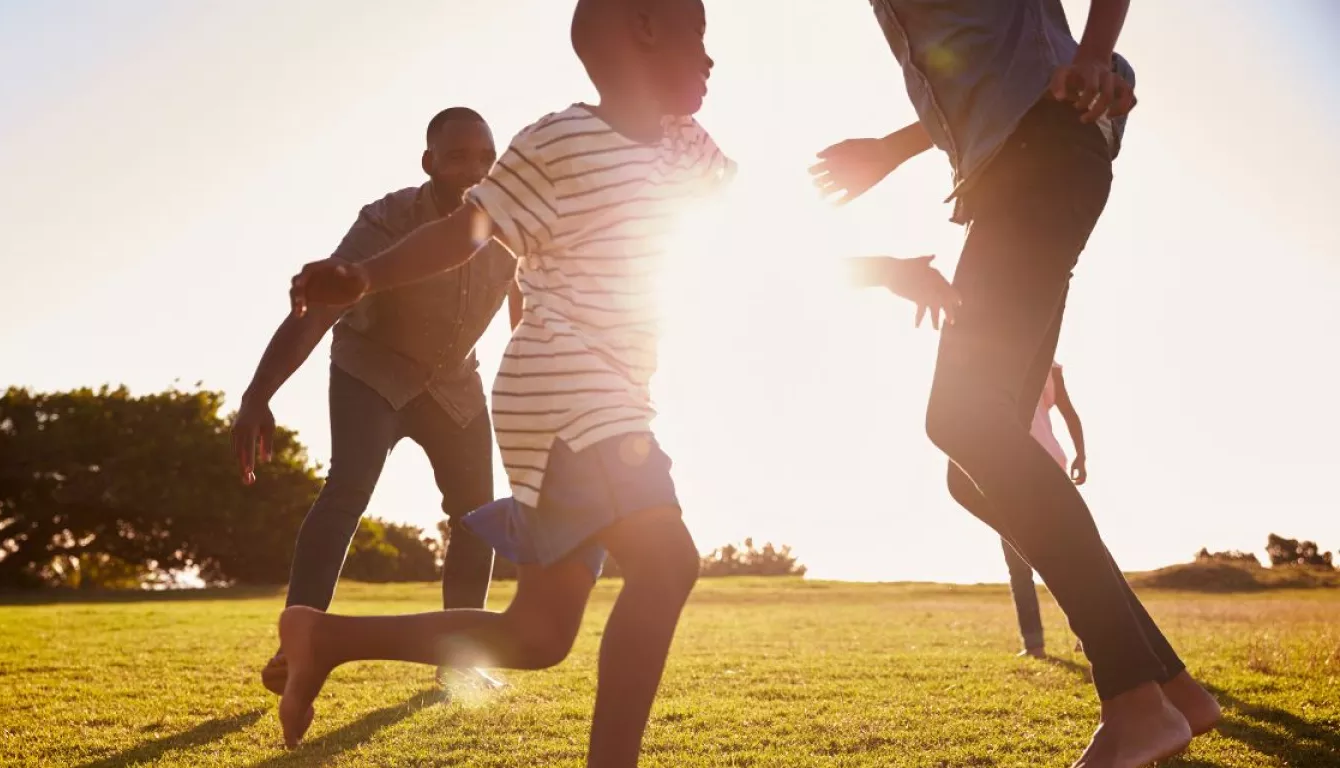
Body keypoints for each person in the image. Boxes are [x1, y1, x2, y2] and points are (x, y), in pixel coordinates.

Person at [274, 1, 957, 763]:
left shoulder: (688, 148)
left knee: (537, 636)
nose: (709, 59)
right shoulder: (558, 140)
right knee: (669, 564)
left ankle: (325, 637)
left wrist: (886, 270)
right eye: (697, 37)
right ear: (642, 31)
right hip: (563, 377)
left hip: (607, 392)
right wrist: (365, 274)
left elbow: (756, 245)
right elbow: (467, 232)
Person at [808, 2, 1221, 766]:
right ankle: (1176, 689)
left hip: (1043, 156)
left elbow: (1030, 66)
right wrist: (893, 151)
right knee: (970, 469)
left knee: (961, 420)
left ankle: (1134, 700)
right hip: (1023, 163)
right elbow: (987, 75)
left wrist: (1099, 53)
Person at [231, 107, 520, 695]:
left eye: (487, 157)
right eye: (459, 156)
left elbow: (527, 310)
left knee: (478, 515)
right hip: (373, 372)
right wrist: (257, 395)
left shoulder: (511, 221)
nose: (476, 168)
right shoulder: (387, 219)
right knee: (347, 491)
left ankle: (459, 659)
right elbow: (322, 307)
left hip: (453, 383)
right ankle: (297, 647)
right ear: (429, 163)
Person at [1004, 362, 1087, 659]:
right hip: (1051, 463)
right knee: (1068, 560)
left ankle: (1035, 644)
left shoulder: (1009, 359)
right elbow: (1070, 414)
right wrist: (1080, 455)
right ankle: (1086, 635)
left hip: (1016, 469)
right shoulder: (1050, 368)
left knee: (1020, 565)